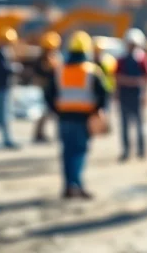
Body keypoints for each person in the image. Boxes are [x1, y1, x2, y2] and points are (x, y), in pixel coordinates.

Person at [43, 31, 108, 199]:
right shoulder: (92, 71)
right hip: (82, 117)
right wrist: (96, 111)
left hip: (64, 117)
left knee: (67, 152)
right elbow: (103, 94)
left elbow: (48, 94)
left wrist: (56, 109)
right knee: (79, 152)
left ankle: (69, 186)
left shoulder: (59, 70)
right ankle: (76, 184)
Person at [115, 28, 147, 162]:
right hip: (125, 95)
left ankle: (142, 150)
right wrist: (131, 82)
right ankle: (126, 151)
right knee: (124, 125)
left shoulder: (143, 59)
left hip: (138, 95)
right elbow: (117, 77)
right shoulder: (121, 59)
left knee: (139, 125)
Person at [32, 31, 62, 143]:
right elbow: (40, 75)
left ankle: (56, 134)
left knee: (53, 113)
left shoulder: (56, 57)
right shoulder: (42, 60)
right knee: (46, 112)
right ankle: (39, 134)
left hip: (55, 89)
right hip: (47, 90)